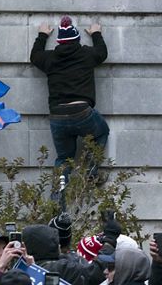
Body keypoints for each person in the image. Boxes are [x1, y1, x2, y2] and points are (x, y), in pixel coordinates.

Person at [31, 17, 110, 192]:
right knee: (102, 131)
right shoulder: (86, 54)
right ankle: (91, 171)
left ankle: (59, 206)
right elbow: (102, 52)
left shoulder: (50, 58)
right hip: (82, 112)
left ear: (59, 41)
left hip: (58, 116)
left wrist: (42, 35)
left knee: (64, 159)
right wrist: (96, 33)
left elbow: (35, 56)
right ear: (77, 39)